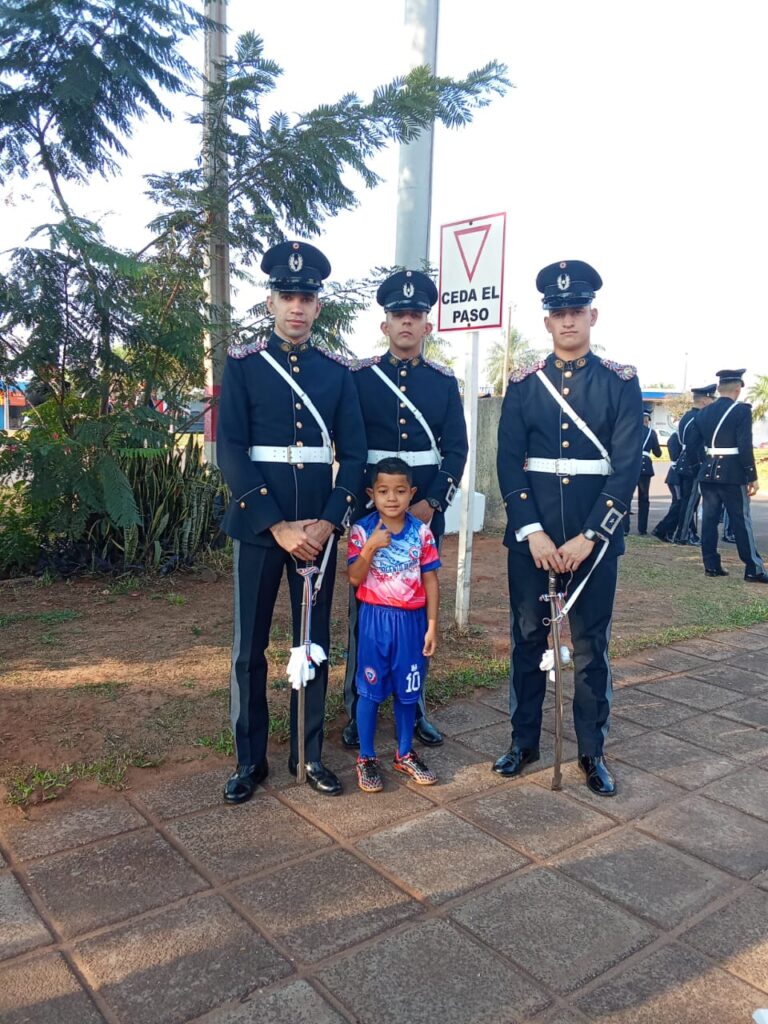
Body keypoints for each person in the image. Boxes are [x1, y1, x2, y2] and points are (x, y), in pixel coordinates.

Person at [216, 240, 367, 803]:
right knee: (248, 650)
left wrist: (328, 523)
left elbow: (353, 455)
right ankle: (248, 762)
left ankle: (308, 755)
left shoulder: (337, 374)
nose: (297, 307)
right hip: (260, 528)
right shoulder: (245, 366)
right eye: (287, 296)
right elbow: (230, 449)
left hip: (319, 536)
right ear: (271, 300)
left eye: (306, 297)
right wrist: (278, 526)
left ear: (318, 306)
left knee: (312, 646)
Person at [494, 260, 643, 796]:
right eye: (559, 313)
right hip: (532, 539)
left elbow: (625, 467)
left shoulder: (619, 383)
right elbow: (510, 461)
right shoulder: (523, 384)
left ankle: (591, 751)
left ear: (593, 315)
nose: (569, 321)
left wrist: (590, 536)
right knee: (527, 639)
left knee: (589, 647)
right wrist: (531, 531)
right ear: (547, 322)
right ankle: (522, 741)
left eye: (577, 310)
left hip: (592, 540)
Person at [341, 269, 468, 750]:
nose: (407, 324)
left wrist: (431, 503)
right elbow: (352, 446)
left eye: (416, 316)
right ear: (385, 324)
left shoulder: (442, 381)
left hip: (421, 514)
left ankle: (415, 712)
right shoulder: (361, 378)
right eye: (399, 315)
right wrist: (364, 509)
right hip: (374, 511)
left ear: (427, 326)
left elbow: (455, 449)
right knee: (365, 613)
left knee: (416, 610)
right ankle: (360, 707)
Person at [347, 457, 441, 792]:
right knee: (369, 690)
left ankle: (403, 752)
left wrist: (431, 625)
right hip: (376, 620)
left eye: (400, 491)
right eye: (384, 491)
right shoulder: (361, 531)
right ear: (372, 492)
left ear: (411, 493)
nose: (392, 498)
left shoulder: (422, 533)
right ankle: (366, 757)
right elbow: (354, 579)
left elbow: (430, 581)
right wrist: (371, 546)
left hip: (412, 623)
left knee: (408, 691)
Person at [686, 368, 766, 582]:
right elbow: (744, 445)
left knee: (709, 521)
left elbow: (692, 445)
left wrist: (700, 468)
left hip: (708, 473)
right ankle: (753, 568)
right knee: (741, 520)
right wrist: (752, 475)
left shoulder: (703, 412)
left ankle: (711, 565)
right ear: (738, 388)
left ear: (719, 388)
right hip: (733, 474)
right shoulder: (741, 411)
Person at [672, 384, 717, 544]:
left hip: (685, 462)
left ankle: (684, 533)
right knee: (690, 502)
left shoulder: (687, 416)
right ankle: (684, 535)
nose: (713, 402)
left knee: (687, 501)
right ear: (705, 400)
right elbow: (693, 445)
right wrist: (697, 466)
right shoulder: (698, 418)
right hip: (692, 463)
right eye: (712, 398)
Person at [626, 407, 661, 535]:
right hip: (645, 466)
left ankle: (625, 528)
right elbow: (658, 453)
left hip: (631, 465)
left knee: (627, 497)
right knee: (644, 499)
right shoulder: (651, 433)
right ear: (648, 420)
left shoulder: (630, 431)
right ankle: (642, 529)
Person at [651, 426, 683, 542]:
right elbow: (674, 456)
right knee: (678, 504)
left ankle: (668, 531)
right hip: (675, 477)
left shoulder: (678, 437)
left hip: (678, 475)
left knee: (678, 504)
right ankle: (662, 529)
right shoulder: (676, 438)